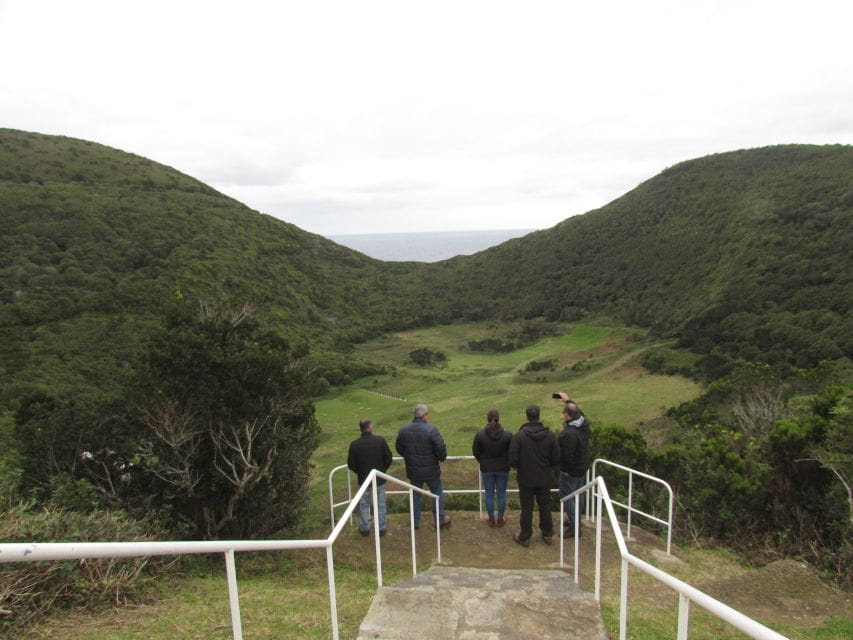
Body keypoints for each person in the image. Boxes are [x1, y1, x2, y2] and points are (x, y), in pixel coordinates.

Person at [508, 405, 560, 547]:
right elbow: (556, 457)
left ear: (526, 417)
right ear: (539, 416)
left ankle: (525, 536)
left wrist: (521, 467)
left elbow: (513, 459)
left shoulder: (519, 436)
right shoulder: (550, 435)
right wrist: (547, 468)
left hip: (526, 479)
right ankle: (547, 534)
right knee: (545, 506)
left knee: (527, 508)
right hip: (544, 478)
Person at [395, 404, 451, 529]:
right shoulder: (432, 430)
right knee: (437, 492)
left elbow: (399, 448)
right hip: (432, 471)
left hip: (414, 471)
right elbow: (440, 448)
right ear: (425, 415)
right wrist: (441, 458)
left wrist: (409, 457)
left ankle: (415, 522)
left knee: (415, 495)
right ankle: (440, 519)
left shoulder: (404, 430)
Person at [347, 419, 394, 536]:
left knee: (364, 504)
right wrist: (382, 471)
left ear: (360, 429)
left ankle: (365, 528)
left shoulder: (354, 444)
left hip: (363, 480)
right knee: (380, 504)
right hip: (379, 479)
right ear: (370, 427)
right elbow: (389, 458)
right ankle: (381, 528)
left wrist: (360, 472)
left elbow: (351, 464)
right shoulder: (380, 440)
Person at [555, 392, 591, 537]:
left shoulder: (569, 434)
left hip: (572, 471)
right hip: (582, 467)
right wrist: (568, 400)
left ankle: (574, 527)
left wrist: (565, 470)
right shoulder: (583, 422)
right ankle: (575, 520)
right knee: (579, 494)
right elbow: (579, 412)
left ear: (568, 415)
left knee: (567, 497)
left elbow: (567, 455)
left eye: (565, 412)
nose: (563, 414)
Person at [472, 409, 512, 527]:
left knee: (489, 494)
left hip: (487, 469)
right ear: (498, 419)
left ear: (487, 419)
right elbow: (512, 451)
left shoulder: (480, 435)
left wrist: (483, 461)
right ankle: (500, 519)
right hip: (503, 468)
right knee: (501, 494)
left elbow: (475, 451)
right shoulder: (507, 435)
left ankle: (490, 519)